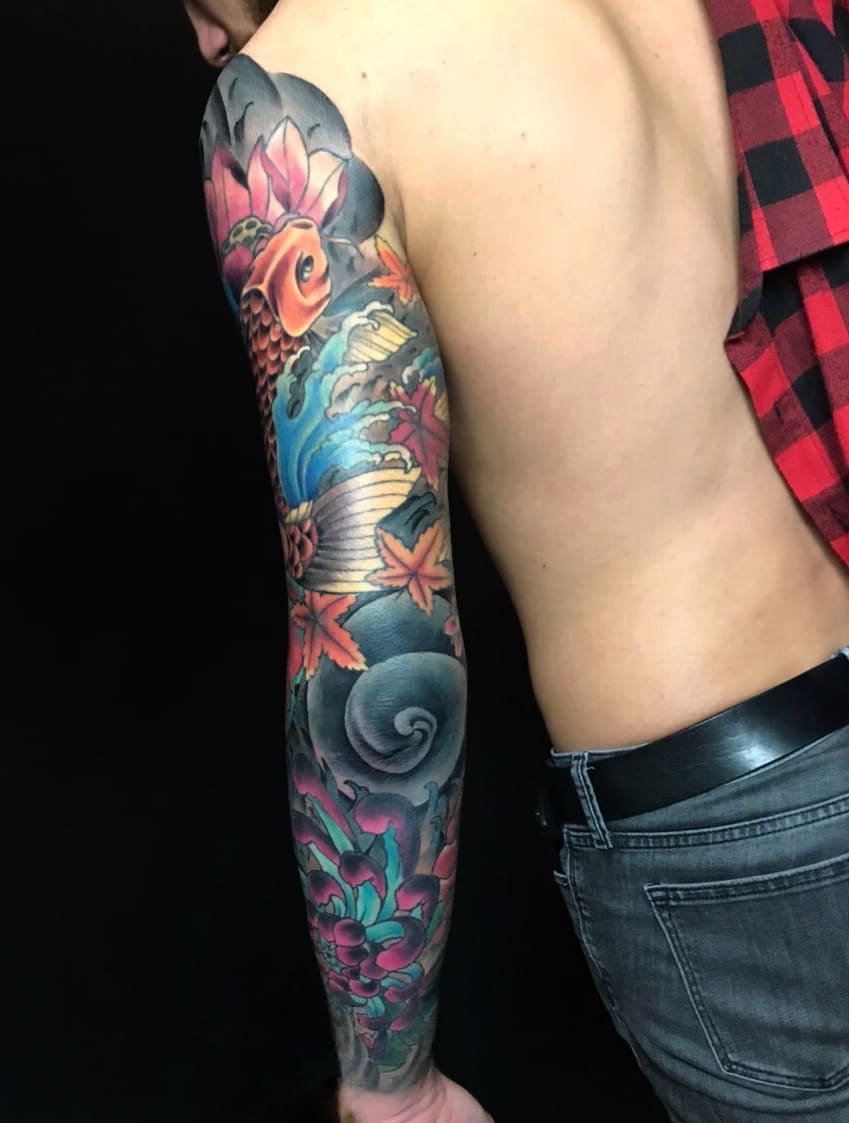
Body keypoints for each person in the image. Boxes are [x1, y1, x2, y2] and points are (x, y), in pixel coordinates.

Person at [184, 0, 849, 1119]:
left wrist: (390, 1083)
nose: (205, 38)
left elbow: (374, 632)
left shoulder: (301, 103)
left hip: (734, 836)